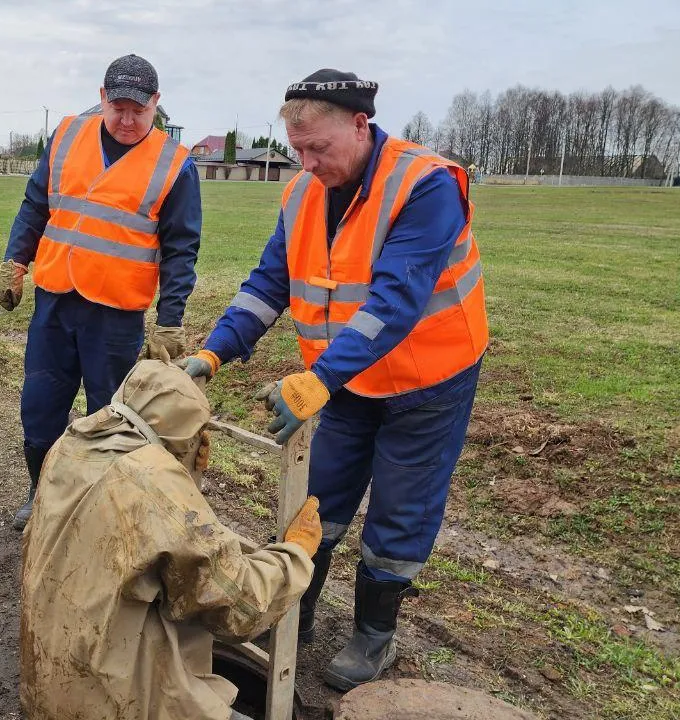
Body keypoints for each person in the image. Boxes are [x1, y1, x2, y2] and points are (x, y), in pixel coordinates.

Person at [178, 70, 488, 691]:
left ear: (359, 126)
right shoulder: (301, 194)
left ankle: (376, 634)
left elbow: (393, 303)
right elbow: (269, 285)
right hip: (346, 380)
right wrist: (212, 354)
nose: (309, 162)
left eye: (319, 148)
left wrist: (318, 379)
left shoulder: (425, 186)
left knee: (400, 510)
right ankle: (297, 610)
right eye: (298, 151)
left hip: (428, 379)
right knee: (320, 497)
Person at [20, 360, 321, 720]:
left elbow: (144, 540)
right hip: (117, 700)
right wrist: (296, 554)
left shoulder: (72, 444)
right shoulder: (154, 481)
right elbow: (239, 608)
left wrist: (187, 471)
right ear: (184, 434)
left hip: (51, 684)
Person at [0, 54, 203, 530]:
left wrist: (170, 320)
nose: (128, 121)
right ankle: (42, 495)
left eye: (140, 110)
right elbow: (34, 205)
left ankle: (96, 512)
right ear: (102, 98)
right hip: (55, 301)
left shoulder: (175, 165)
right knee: (40, 408)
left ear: (156, 104)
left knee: (110, 417)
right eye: (119, 108)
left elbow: (181, 248)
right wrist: (14, 261)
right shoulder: (68, 137)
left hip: (115, 316)